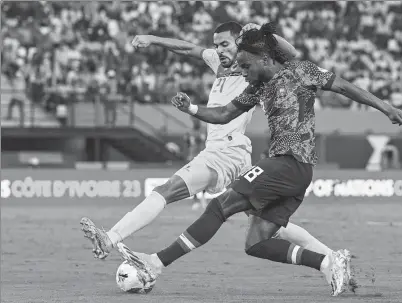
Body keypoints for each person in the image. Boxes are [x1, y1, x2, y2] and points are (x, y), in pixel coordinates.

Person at [113, 22, 402, 296]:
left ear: (264, 59)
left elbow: (344, 86)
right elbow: (223, 114)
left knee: (220, 206)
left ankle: (156, 262)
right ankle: (329, 263)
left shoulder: (300, 71)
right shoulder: (257, 87)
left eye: (245, 65)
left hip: (289, 163)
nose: (241, 72)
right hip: (292, 172)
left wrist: (385, 107)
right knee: (256, 243)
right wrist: (191, 109)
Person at [81, 22, 335, 272]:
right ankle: (331, 258)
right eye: (216, 46)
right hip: (233, 155)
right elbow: (187, 49)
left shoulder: (254, 70)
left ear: (242, 46)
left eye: (225, 44)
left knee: (166, 190)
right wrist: (153, 39)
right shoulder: (220, 63)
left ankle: (112, 238)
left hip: (224, 151)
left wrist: (261, 33)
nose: (219, 50)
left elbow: (290, 55)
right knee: (268, 222)